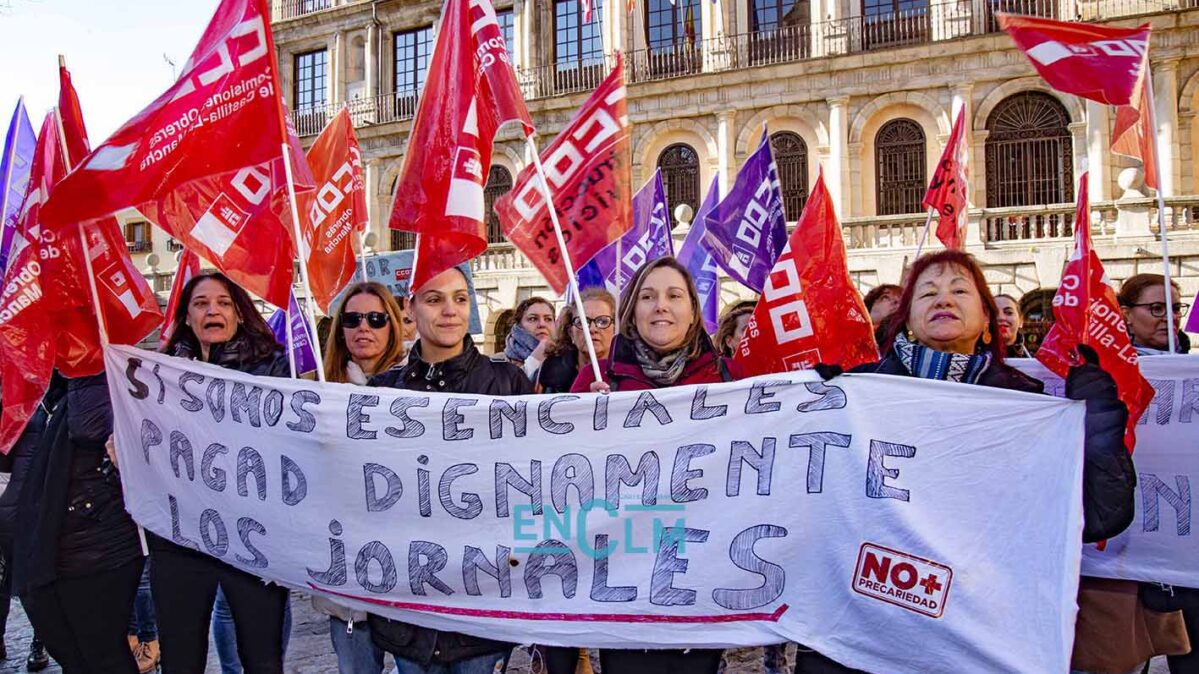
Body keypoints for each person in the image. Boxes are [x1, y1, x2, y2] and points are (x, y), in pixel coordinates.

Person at [797, 250, 1138, 674]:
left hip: (974, 634)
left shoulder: (1024, 403)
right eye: (928, 293)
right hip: (861, 633)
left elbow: (1102, 514)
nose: (944, 299)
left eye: (960, 290)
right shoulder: (857, 393)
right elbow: (806, 510)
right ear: (905, 318)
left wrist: (1099, 422)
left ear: (986, 321)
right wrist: (812, 412)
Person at [572, 257, 740, 674]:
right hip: (623, 578)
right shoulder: (599, 379)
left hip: (699, 578)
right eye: (648, 296)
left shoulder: (730, 379)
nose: (660, 306)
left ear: (692, 311)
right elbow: (562, 473)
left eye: (673, 295)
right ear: (633, 310)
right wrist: (585, 419)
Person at [368, 265, 532, 674]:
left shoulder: (509, 384)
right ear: (410, 309)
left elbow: (543, 473)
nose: (449, 311)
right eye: (434, 299)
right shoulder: (382, 394)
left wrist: (598, 409)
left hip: (484, 607)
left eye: (460, 298)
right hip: (411, 609)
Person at [149, 272, 292, 674]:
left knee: (262, 659)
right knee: (180, 659)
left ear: (239, 314)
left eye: (224, 303)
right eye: (200, 303)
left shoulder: (273, 367)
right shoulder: (158, 373)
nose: (213, 310)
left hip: (252, 536)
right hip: (180, 538)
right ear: (186, 316)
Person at [11, 371, 144, 674]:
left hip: (99, 543)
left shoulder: (99, 374)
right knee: (77, 652)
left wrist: (82, 371)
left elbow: (88, 426)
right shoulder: (51, 390)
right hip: (57, 538)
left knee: (103, 653)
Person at [311, 281, 406, 674]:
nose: (363, 327)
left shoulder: (421, 387)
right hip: (348, 569)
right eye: (352, 319)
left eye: (375, 318)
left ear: (393, 325)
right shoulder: (313, 389)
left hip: (408, 565)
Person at [1118, 274, 1198, 674]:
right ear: (1126, 316)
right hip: (1128, 548)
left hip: (1186, 545)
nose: (1168, 317)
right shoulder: (1104, 369)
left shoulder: (1193, 370)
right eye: (1155, 308)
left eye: (1175, 307)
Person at [0, 377, 66, 673]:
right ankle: (38, 641)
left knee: (25, 578)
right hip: (18, 503)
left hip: (34, 502)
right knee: (24, 578)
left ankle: (40, 641)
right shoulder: (19, 398)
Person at [534, 288, 617, 393]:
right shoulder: (550, 375)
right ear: (570, 332)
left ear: (615, 329)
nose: (592, 329)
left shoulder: (631, 373)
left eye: (603, 321)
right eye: (582, 322)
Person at [1119, 273, 1191, 355]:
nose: (1172, 317)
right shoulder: (1108, 365)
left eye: (1176, 308)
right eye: (1157, 308)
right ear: (1127, 314)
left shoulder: (1192, 364)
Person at [505, 296, 555, 375]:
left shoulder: (567, 360)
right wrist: (535, 360)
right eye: (533, 319)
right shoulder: (499, 363)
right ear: (519, 326)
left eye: (548, 319)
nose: (542, 324)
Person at [994, 293, 1031, 358]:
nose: (1001, 318)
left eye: (1009, 313)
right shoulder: (971, 360)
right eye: (994, 313)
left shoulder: (1035, 362)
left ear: (1021, 321)